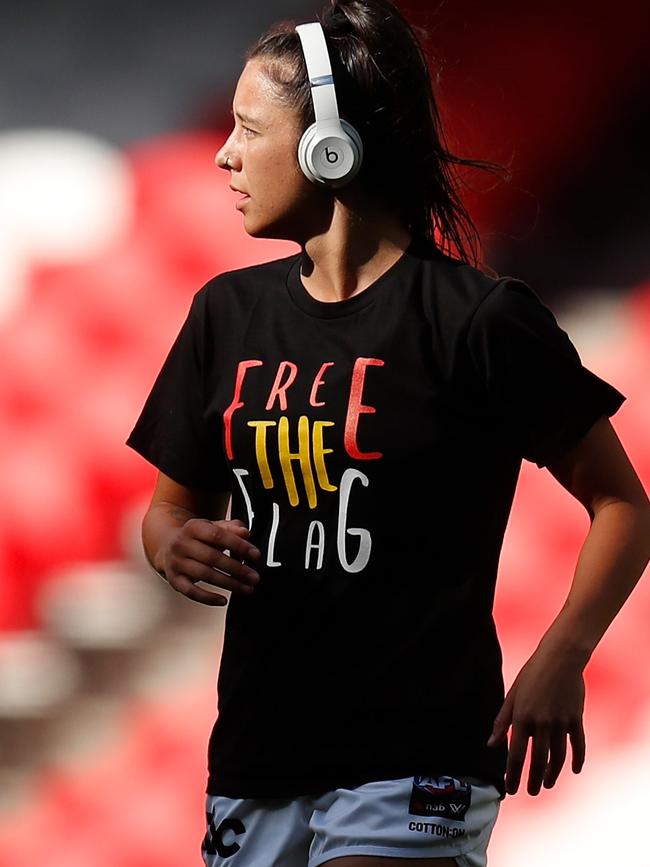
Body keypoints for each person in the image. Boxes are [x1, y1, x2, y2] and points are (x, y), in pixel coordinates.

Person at [125, 1, 650, 865]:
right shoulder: (224, 315)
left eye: (248, 129)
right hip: (256, 763)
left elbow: (622, 503)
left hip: (419, 762)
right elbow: (167, 511)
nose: (222, 154)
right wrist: (173, 544)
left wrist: (563, 656)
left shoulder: (480, 321)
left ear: (332, 148)